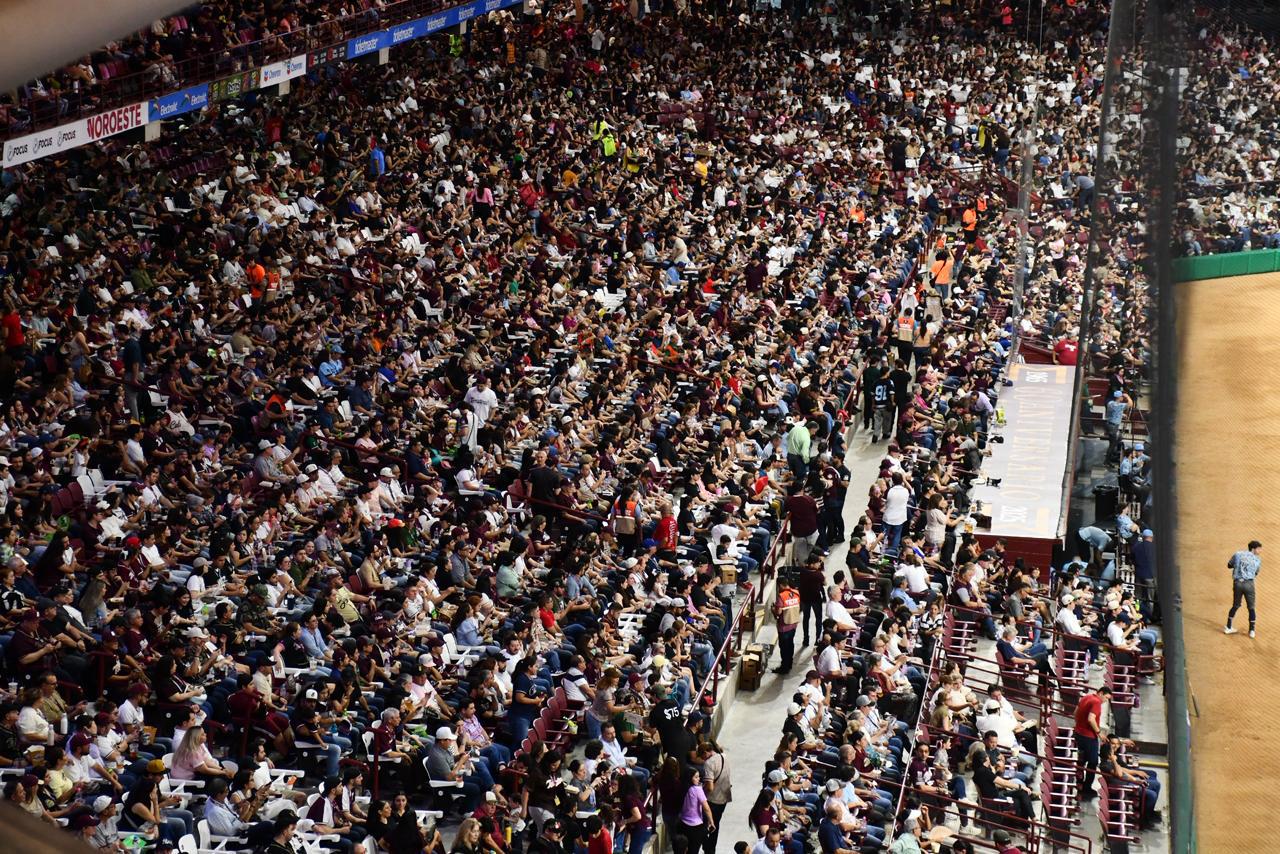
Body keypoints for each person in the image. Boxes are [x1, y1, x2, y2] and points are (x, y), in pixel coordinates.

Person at [1073, 686, 1112, 801]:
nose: (1105, 701)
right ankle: (1087, 787)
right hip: (1089, 737)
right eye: (1105, 697)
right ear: (1100, 693)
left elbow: (1076, 711)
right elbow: (1091, 719)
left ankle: (1080, 781)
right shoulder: (1096, 702)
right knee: (1093, 761)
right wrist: (1099, 732)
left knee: (1082, 758)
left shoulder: (1086, 697)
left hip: (1079, 733)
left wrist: (1079, 725)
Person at [1225, 540, 1262, 638]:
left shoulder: (1238, 554)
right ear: (1253, 549)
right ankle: (1252, 631)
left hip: (1237, 584)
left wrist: (1238, 567)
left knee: (1236, 605)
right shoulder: (1257, 560)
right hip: (1249, 585)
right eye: (1259, 549)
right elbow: (1256, 573)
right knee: (1251, 608)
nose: (1260, 551)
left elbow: (1229, 565)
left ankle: (1228, 627)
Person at [772, 578, 801, 675]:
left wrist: (773, 609)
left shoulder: (781, 596)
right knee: (790, 644)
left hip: (784, 626)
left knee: (784, 647)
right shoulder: (796, 593)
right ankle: (789, 664)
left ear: (780, 585)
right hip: (794, 624)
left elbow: (778, 612)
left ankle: (784, 667)